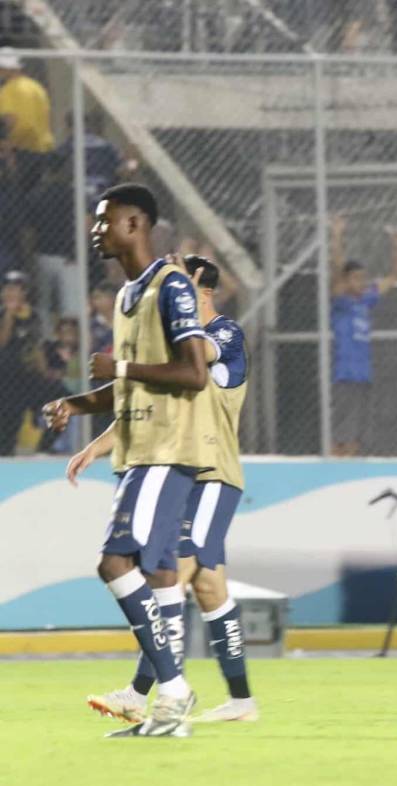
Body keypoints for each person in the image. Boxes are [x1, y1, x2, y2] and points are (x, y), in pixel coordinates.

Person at [41, 183, 213, 737]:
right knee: (162, 576)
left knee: (114, 564)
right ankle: (164, 713)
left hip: (167, 453)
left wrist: (117, 369)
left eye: (104, 219)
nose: (96, 229)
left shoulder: (172, 288)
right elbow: (127, 389)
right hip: (140, 452)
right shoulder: (124, 298)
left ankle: (176, 689)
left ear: (135, 224)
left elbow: (193, 374)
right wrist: (74, 404)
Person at [75, 254, 258, 725]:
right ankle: (240, 701)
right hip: (185, 470)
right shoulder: (177, 351)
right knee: (207, 586)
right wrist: (95, 448)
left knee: (169, 571)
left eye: (184, 289)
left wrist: (128, 362)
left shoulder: (225, 334)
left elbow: (201, 360)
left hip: (214, 472)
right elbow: (152, 403)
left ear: (205, 292)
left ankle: (144, 692)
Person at [329, 214, 397, 456]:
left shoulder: (365, 300)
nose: (361, 282)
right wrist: (337, 235)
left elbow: (394, 276)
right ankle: (336, 460)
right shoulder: (342, 301)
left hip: (363, 372)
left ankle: (351, 457)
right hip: (345, 372)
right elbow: (337, 269)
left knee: (358, 429)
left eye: (363, 278)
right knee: (342, 427)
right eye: (356, 278)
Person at [0, 270, 47, 455]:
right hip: (4, 374)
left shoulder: (33, 316)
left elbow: (37, 344)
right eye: (7, 289)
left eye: (16, 289)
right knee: (6, 417)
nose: (10, 293)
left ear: (24, 292)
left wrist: (43, 369)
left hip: (26, 376)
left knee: (20, 416)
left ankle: (36, 447)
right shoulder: (2, 314)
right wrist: (10, 315)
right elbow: (2, 342)